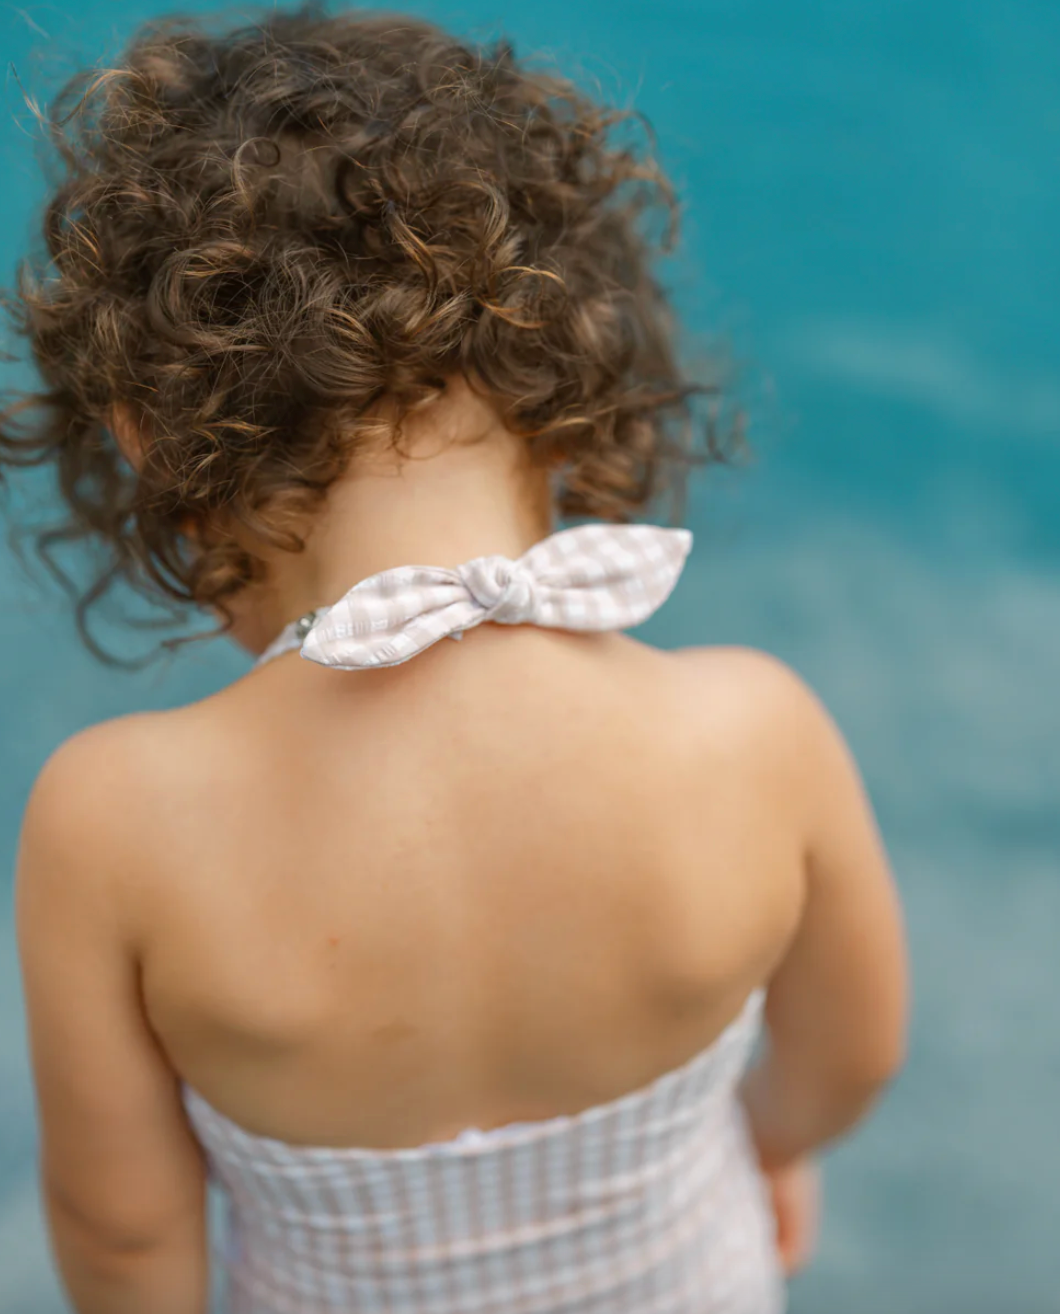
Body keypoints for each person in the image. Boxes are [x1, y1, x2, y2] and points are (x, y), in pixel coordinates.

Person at [2, 7, 908, 1313]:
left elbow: (124, 1231)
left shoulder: (116, 825)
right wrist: (768, 1141)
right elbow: (851, 1056)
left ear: (149, 438)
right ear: (570, 374)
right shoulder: (753, 733)